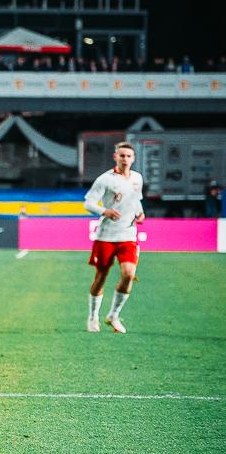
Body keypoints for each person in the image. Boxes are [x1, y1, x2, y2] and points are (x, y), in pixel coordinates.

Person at [83, 141, 144, 334]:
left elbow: (136, 201)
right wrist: (105, 211)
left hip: (128, 235)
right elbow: (88, 203)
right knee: (101, 277)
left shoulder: (137, 178)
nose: (125, 159)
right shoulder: (105, 179)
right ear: (115, 157)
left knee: (129, 274)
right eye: (122, 155)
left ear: (133, 159)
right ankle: (93, 317)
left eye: (128, 156)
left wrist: (140, 213)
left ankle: (113, 315)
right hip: (106, 236)